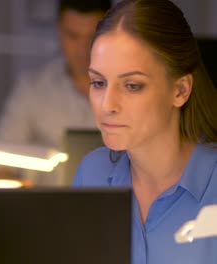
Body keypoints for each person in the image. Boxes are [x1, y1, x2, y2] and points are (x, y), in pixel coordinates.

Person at [72, 0, 217, 264]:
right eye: (98, 82)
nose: (107, 105)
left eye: (132, 86)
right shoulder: (91, 173)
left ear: (180, 90)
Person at [0, 0, 112, 186]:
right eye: (73, 36)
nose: (83, 50)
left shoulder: (135, 89)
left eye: (92, 37)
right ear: (59, 31)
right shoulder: (33, 89)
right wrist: (9, 181)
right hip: (47, 209)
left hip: (122, 208)